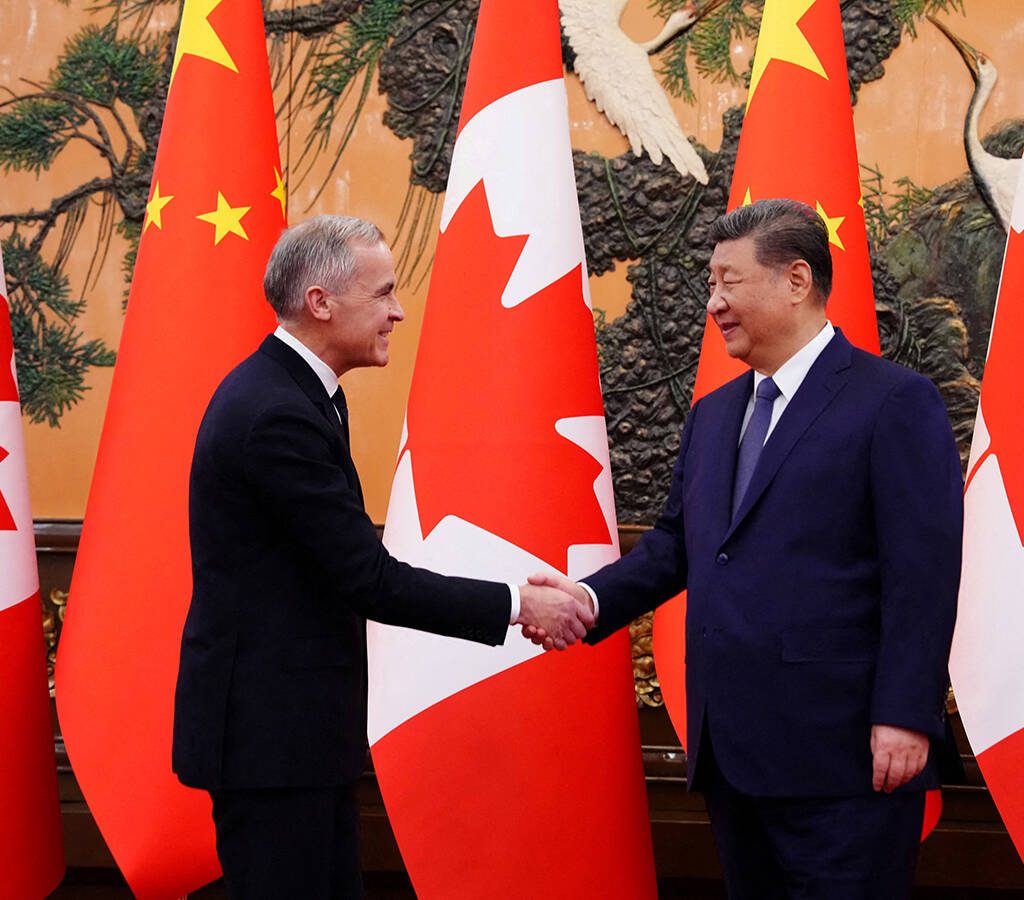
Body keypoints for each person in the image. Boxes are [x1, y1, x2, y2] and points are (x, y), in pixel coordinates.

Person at [527, 199, 963, 898]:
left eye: (728, 282)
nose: (713, 304)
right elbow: (678, 543)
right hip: (732, 755)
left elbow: (923, 574)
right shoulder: (715, 413)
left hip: (845, 758)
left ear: (797, 280)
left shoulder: (892, 402)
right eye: (710, 284)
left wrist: (907, 714)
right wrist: (587, 598)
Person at [172, 215, 591, 899]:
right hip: (272, 743)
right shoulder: (276, 412)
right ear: (321, 302)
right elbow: (367, 579)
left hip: (297, 735)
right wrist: (520, 604)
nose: (398, 311)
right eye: (384, 293)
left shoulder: (296, 393)